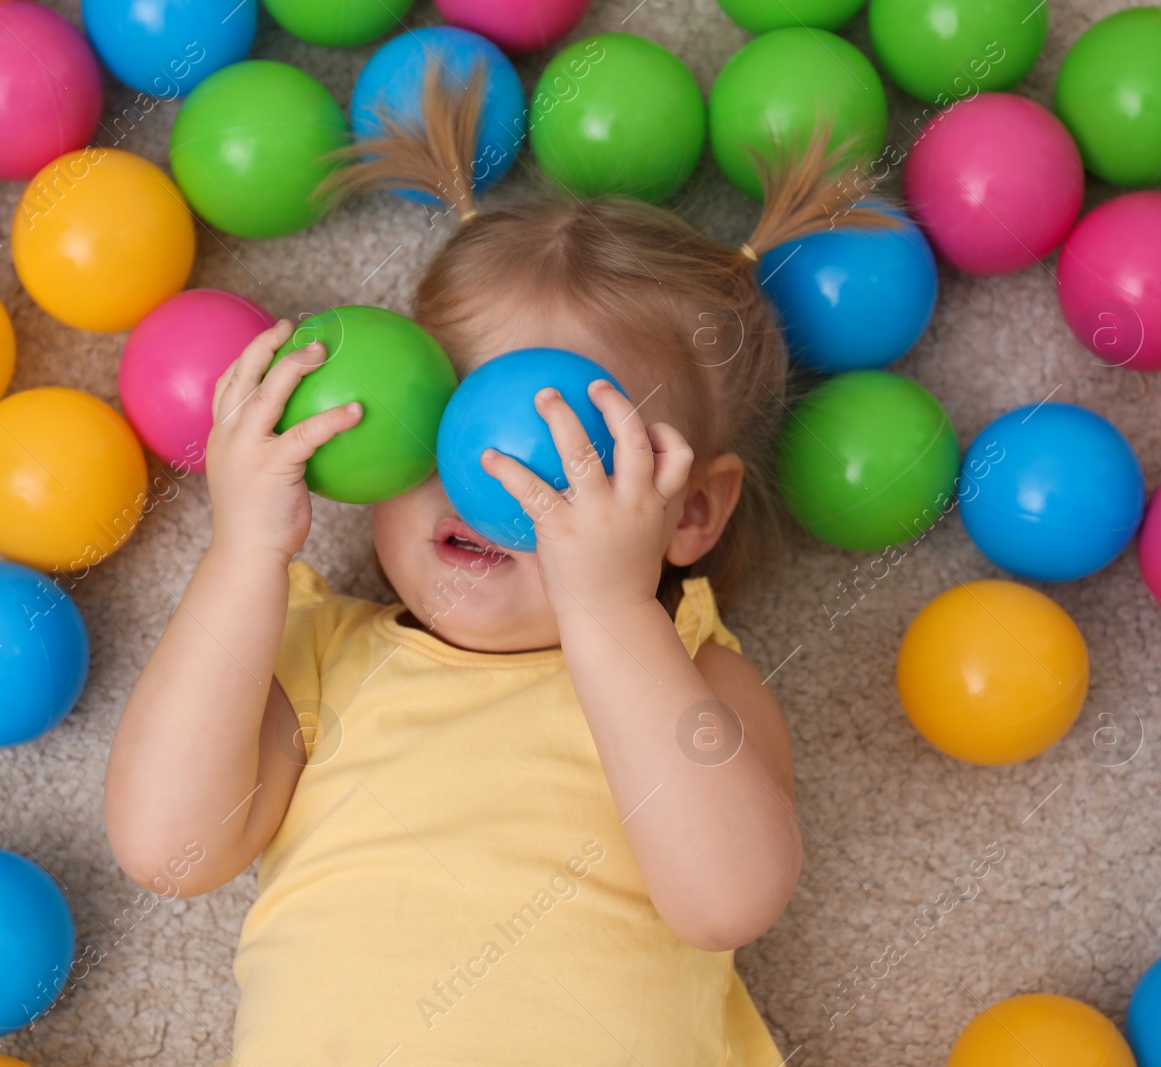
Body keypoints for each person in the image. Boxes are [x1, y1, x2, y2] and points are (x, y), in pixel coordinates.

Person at [105, 66, 890, 1065]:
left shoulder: (689, 668)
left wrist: (607, 610)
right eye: (447, 421)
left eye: (563, 457)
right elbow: (166, 845)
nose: (491, 479)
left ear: (689, 510)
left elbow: (727, 896)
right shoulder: (314, 648)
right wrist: (242, 553)